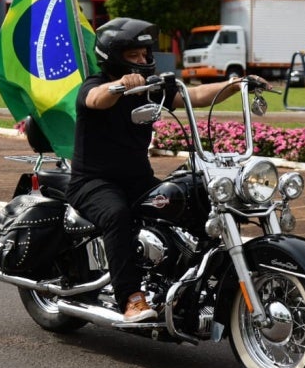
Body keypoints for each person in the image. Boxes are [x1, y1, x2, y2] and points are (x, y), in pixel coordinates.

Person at [66, 17, 244, 322]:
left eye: (144, 55)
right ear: (113, 57)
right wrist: (121, 85)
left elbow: (196, 95)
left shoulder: (149, 90)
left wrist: (236, 84)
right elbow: (97, 99)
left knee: (192, 203)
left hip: (137, 180)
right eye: (132, 56)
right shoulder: (94, 85)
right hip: (92, 182)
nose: (141, 61)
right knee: (117, 215)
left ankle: (191, 284)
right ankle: (131, 298)